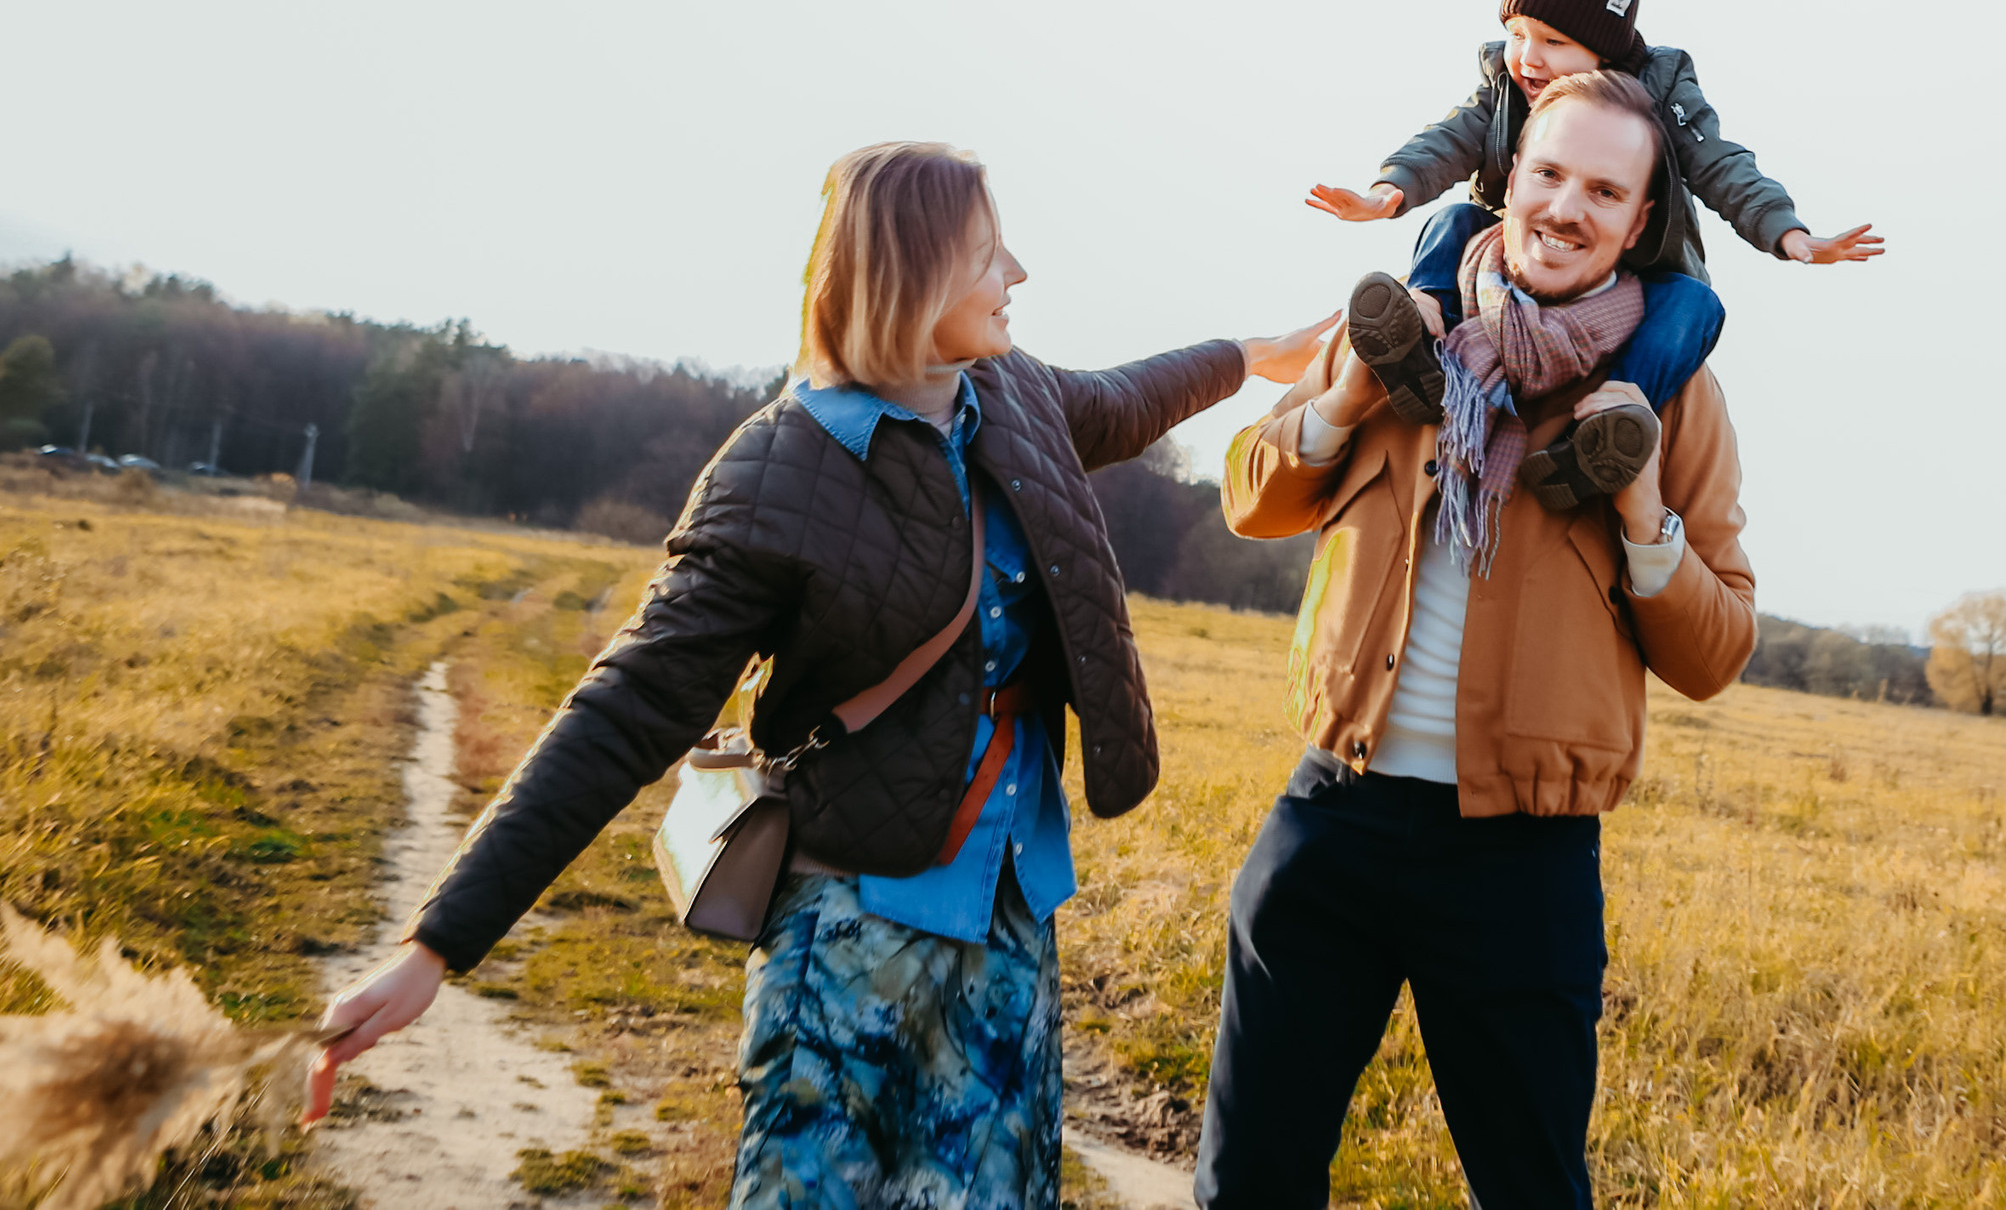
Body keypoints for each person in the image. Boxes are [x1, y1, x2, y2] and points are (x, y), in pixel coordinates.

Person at [305, 141, 1333, 1210]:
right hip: (849, 934)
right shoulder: (777, 470)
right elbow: (625, 710)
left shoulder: (1013, 397)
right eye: (989, 253)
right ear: (912, 276)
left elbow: (1124, 400)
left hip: (1011, 923)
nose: (1017, 273)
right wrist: (436, 944)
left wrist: (1250, 353)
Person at [1207, 70, 1759, 1208]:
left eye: (1605, 191)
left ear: (1641, 223)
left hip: (1523, 862)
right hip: (1331, 823)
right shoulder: (1402, 328)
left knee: (1531, 1191)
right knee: (1250, 1180)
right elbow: (1251, 495)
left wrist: (1643, 510)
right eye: (1549, 172)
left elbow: (1717, 653)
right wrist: (1346, 397)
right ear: (1507, 178)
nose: (1565, 207)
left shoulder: (1671, 399)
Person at [1307, 0, 1883, 499]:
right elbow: (1449, 140)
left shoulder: (1657, 88)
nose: (1529, 57)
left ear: (1603, 48)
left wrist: (1787, 233)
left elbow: (1719, 162)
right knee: (1453, 220)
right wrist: (1388, 191)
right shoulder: (1505, 84)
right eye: (1517, 34)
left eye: (1553, 41)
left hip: (1635, 269)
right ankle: (1422, 343)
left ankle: (1606, 433)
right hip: (1526, 250)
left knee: (1696, 306)